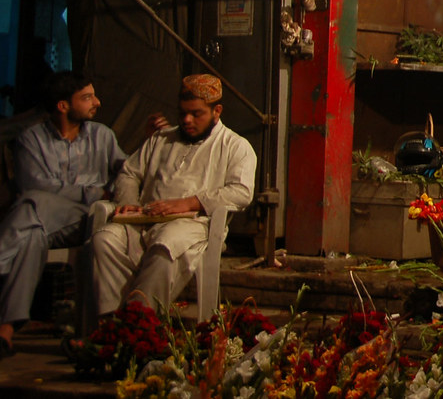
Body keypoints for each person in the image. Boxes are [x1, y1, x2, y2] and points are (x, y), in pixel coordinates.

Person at [92, 74, 256, 316]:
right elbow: (129, 173)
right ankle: (108, 325)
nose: (187, 120)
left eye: (196, 114)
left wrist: (187, 203)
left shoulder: (234, 146)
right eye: (182, 113)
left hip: (191, 225)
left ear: (216, 111)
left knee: (164, 247)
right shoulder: (160, 139)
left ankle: (139, 324)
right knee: (104, 240)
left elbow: (241, 192)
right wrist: (129, 204)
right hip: (143, 220)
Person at [0, 72, 125, 358]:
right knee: (31, 231)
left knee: (31, 203)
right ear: (62, 106)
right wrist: (94, 191)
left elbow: (126, 173)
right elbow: (36, 185)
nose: (97, 102)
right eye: (87, 97)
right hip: (42, 220)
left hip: (86, 220)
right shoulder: (31, 139)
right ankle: (4, 333)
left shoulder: (102, 136)